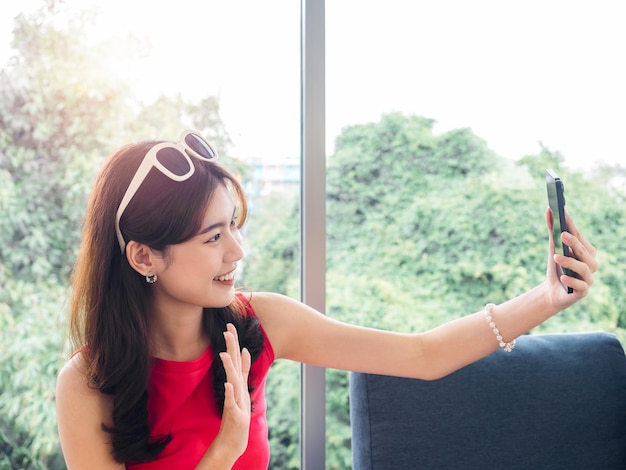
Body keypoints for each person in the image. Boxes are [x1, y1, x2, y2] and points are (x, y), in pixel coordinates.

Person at [56, 129, 598, 469]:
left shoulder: (257, 322)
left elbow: (422, 356)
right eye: (212, 237)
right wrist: (225, 449)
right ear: (144, 257)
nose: (237, 251)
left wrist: (547, 297)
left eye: (234, 227)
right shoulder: (87, 385)